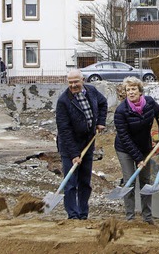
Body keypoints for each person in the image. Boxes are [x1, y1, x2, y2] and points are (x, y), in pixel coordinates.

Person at [114, 76, 159, 225]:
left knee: (145, 181)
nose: (131, 92)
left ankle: (147, 217)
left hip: (145, 147)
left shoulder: (149, 102)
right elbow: (124, 137)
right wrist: (138, 158)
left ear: (139, 91)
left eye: (133, 89)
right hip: (125, 149)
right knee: (129, 180)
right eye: (128, 90)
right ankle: (130, 217)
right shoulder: (121, 111)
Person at [55, 69, 107, 220]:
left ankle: (83, 213)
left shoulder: (91, 91)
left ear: (82, 80)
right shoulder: (63, 101)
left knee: (85, 181)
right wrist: (73, 155)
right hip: (69, 145)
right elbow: (64, 130)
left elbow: (103, 103)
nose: (73, 85)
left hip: (88, 143)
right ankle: (73, 215)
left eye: (76, 82)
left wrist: (100, 123)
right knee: (71, 183)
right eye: (70, 82)